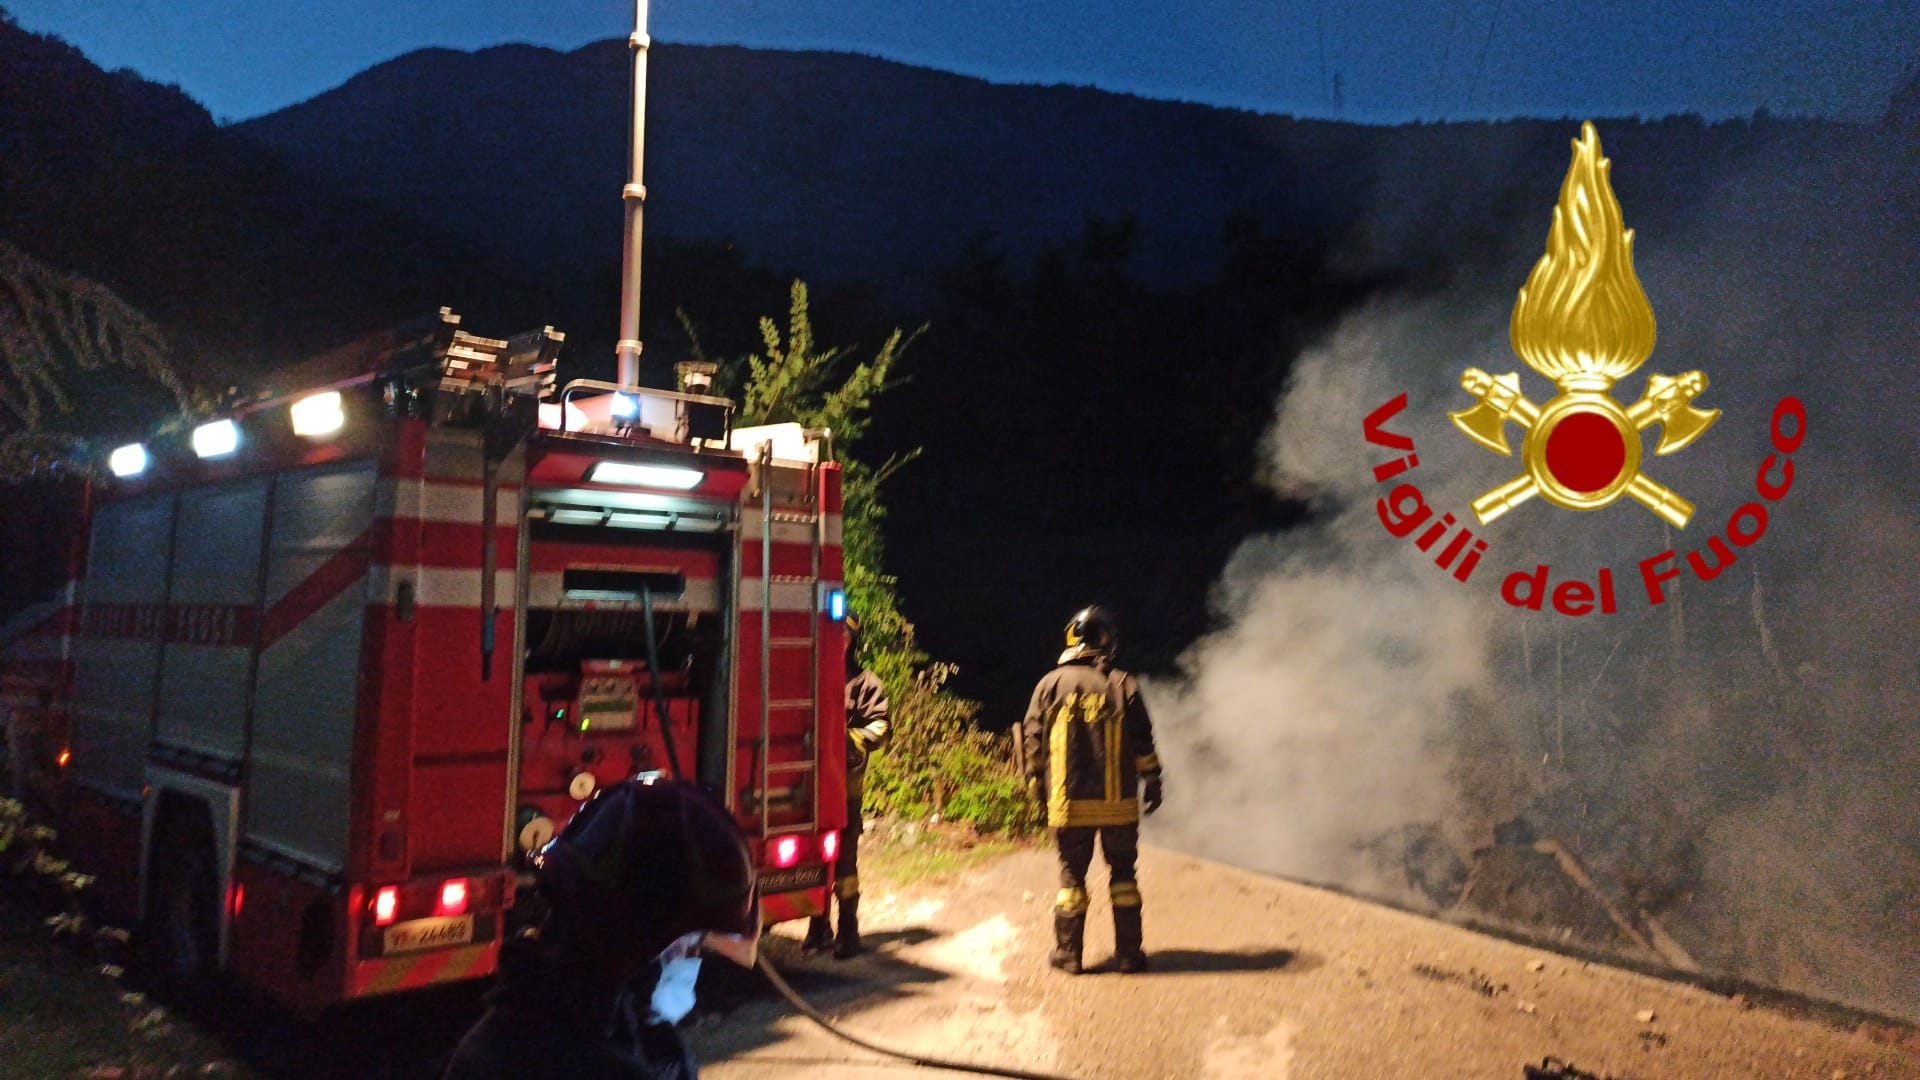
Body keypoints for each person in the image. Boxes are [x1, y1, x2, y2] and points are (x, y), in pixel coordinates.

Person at [444, 777, 759, 1079]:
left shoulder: (533, 1026)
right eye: (686, 947)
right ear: (634, 939)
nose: (690, 960)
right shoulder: (579, 1062)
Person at [1021, 605, 1163, 975]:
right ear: (1103, 640)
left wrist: (1035, 784)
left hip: (1068, 805)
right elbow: (1143, 742)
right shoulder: (1123, 684)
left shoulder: (1050, 685)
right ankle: (1129, 954)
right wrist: (1153, 780)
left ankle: (1069, 954)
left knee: (1072, 878)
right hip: (1119, 805)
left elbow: (1033, 742)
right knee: (1124, 877)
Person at [803, 613, 891, 959]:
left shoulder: (867, 683)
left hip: (845, 790)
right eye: (834, 635)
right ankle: (818, 928)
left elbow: (881, 728)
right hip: (811, 789)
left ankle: (848, 932)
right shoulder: (813, 677)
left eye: (845, 636)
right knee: (813, 860)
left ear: (853, 642)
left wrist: (849, 739)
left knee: (845, 864)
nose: (838, 641)